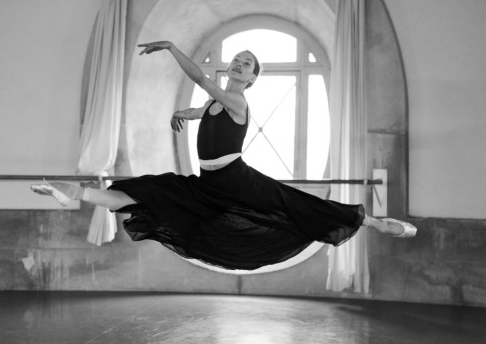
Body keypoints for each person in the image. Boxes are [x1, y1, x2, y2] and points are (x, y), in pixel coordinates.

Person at [31, 41, 416, 270]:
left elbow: (201, 81)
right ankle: (75, 193)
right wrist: (181, 114)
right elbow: (198, 110)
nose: (239, 63)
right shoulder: (215, 104)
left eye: (246, 64)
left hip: (238, 179)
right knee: (152, 191)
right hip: (210, 184)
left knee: (299, 204)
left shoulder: (236, 100)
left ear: (251, 79)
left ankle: (377, 224)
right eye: (237, 59)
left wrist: (170, 48)